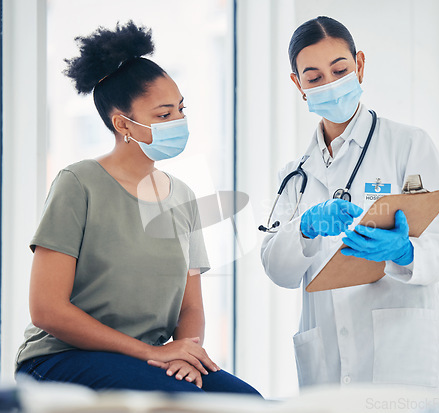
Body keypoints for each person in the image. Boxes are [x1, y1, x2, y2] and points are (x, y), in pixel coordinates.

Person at [16, 21, 261, 397]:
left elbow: (190, 307)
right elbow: (47, 310)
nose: (178, 122)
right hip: (61, 357)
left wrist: (185, 353)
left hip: (144, 360)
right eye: (163, 115)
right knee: (188, 402)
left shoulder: (183, 196)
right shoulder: (78, 183)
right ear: (122, 124)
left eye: (180, 109)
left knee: (248, 403)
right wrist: (153, 353)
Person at [260, 16, 439, 393]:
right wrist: (305, 228)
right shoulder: (296, 175)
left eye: (340, 69)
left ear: (360, 65)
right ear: (298, 84)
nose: (331, 84)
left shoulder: (408, 145)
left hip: (403, 356)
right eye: (314, 77)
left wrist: (404, 252)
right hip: (328, 365)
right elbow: (278, 270)